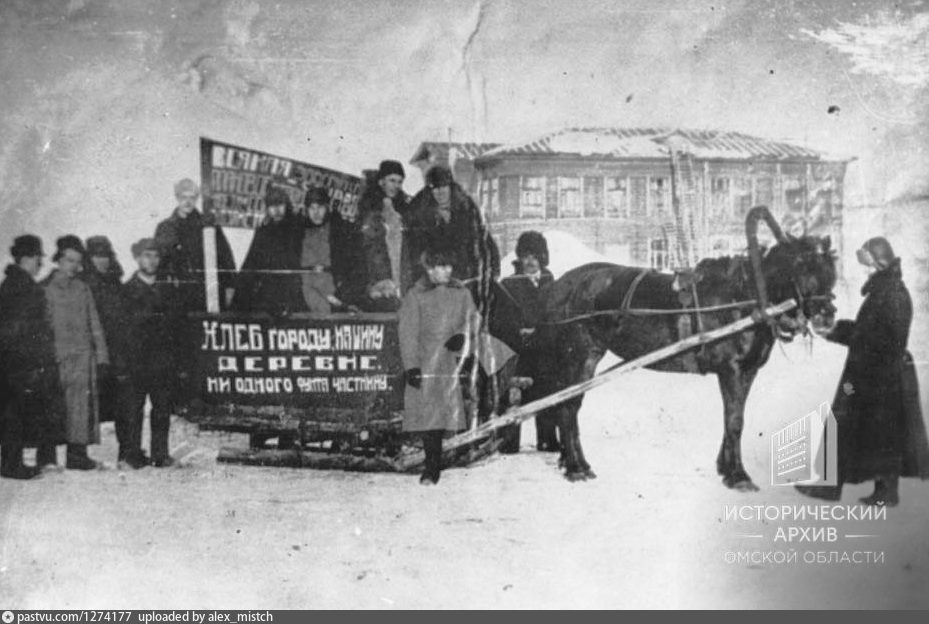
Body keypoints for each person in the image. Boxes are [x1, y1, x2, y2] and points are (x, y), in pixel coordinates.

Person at [797, 237, 929, 506]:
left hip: (871, 377)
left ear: (879, 263)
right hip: (879, 374)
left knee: (858, 424)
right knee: (883, 432)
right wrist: (834, 330)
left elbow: (871, 336)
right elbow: (867, 331)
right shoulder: (888, 291)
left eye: (868, 266)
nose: (865, 271)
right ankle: (883, 491)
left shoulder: (890, 294)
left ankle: (836, 487)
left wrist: (834, 331)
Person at [399, 246, 480, 485]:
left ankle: (444, 459)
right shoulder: (416, 295)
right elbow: (408, 333)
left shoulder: (461, 292)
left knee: (446, 417)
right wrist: (411, 366)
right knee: (430, 419)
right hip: (426, 362)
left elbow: (474, 320)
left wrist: (463, 336)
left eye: (448, 266)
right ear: (428, 269)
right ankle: (431, 468)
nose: (445, 271)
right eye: (439, 267)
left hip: (449, 362)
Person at [40, 235, 109, 470]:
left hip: (82, 359)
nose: (74, 266)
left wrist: (101, 355)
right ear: (58, 260)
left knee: (80, 408)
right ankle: (46, 457)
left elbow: (94, 323)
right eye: (69, 260)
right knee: (51, 407)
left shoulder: (82, 288)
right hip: (55, 359)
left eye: (77, 262)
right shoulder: (45, 289)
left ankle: (77, 456)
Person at [0, 235, 62, 479]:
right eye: (38, 258)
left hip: (10, 360)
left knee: (11, 412)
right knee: (14, 412)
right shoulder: (24, 288)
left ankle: (11, 462)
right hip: (21, 362)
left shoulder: (10, 283)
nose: (40, 264)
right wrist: (35, 360)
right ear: (26, 258)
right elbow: (23, 329)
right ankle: (11, 465)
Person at [402, 165, 500, 315]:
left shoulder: (467, 208)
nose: (440, 192)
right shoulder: (419, 213)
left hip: (465, 279)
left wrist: (493, 269)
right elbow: (414, 252)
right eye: (434, 188)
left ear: (451, 187)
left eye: (443, 187)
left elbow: (483, 240)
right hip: (435, 282)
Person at [120, 238, 181, 468]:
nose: (152, 261)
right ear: (137, 259)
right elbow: (122, 330)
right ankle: (133, 454)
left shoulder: (168, 289)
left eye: (155, 256)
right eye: (146, 255)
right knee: (133, 410)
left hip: (162, 360)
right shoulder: (127, 291)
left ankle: (160, 454)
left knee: (162, 409)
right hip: (136, 361)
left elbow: (175, 326)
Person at [498, 231, 558, 453]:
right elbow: (499, 320)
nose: (531, 261)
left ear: (542, 258)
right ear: (519, 258)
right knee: (514, 396)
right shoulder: (508, 285)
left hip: (544, 351)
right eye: (526, 256)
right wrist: (517, 331)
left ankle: (547, 440)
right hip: (518, 351)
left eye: (535, 256)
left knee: (547, 392)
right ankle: (508, 442)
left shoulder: (552, 283)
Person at [154, 178, 236, 312]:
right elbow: (159, 264)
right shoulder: (165, 228)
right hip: (177, 295)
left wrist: (230, 287)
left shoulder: (208, 225)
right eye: (183, 197)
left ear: (197, 198)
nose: (187, 202)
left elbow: (226, 258)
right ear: (176, 197)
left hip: (205, 294)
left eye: (192, 197)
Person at [231, 186, 307, 316]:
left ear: (286, 205)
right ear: (267, 208)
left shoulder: (298, 228)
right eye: (272, 205)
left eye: (280, 204)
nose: (276, 210)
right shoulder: (263, 232)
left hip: (295, 292)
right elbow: (250, 264)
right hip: (269, 294)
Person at [81, 236, 127, 427]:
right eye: (97, 256)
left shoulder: (116, 283)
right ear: (89, 259)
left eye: (106, 255)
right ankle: (78, 455)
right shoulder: (83, 284)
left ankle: (127, 452)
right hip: (95, 351)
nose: (103, 260)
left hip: (117, 350)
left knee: (123, 405)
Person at [357, 160, 407, 310]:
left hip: (398, 272)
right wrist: (382, 278)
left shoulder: (401, 207)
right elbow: (372, 246)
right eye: (392, 180)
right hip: (380, 278)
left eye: (399, 182)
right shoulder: (372, 208)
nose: (396, 186)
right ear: (381, 181)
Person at [299, 186, 342, 314]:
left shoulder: (337, 232)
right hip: (315, 296)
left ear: (327, 208)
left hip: (337, 293)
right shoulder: (302, 234)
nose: (316, 213)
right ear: (306, 210)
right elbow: (306, 274)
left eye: (320, 207)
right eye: (312, 208)